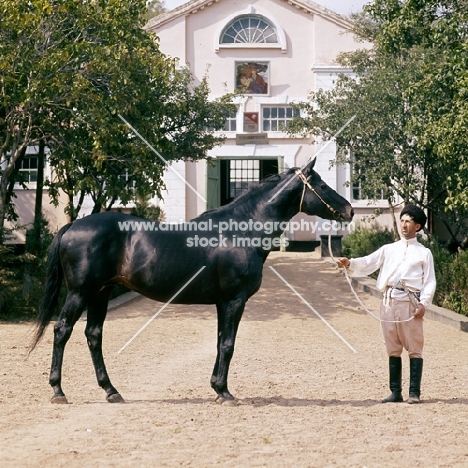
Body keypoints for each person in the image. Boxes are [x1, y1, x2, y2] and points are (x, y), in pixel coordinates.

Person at [336, 205, 436, 404]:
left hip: (410, 303)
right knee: (392, 345)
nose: (404, 225)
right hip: (389, 302)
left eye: (409, 222)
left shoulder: (424, 253)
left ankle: (414, 392)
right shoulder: (389, 249)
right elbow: (368, 262)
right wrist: (349, 263)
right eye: (402, 221)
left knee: (415, 345)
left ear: (417, 226)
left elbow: (429, 281)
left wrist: (423, 303)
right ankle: (395, 392)